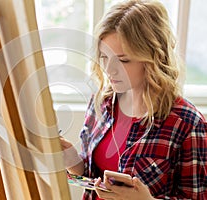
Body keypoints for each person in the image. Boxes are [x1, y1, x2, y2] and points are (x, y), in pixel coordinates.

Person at [60, 0, 207, 199]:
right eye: (104, 57)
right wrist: (72, 162)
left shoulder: (188, 124)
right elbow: (91, 180)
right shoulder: (101, 104)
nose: (109, 70)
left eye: (123, 60)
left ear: (153, 57)